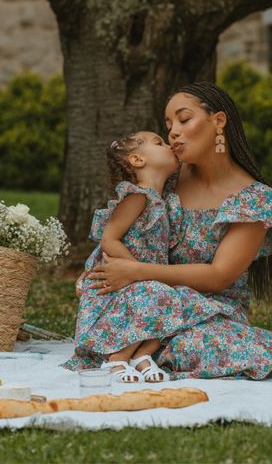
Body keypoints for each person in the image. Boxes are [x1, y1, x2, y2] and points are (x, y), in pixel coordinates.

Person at [88, 82, 272, 379]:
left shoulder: (253, 201)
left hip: (210, 311)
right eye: (168, 125)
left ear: (218, 121)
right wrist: (103, 267)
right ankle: (137, 353)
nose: (173, 132)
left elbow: (219, 277)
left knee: (199, 345)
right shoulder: (165, 179)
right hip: (150, 301)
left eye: (184, 119)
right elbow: (129, 232)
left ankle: (142, 351)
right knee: (136, 328)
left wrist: (135, 271)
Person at [63, 129, 236, 382]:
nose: (168, 145)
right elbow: (109, 239)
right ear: (137, 160)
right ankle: (116, 359)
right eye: (159, 143)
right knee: (157, 295)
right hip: (121, 281)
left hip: (142, 281)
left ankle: (141, 356)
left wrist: (144, 277)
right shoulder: (137, 196)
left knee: (175, 301)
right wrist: (136, 272)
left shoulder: (161, 200)